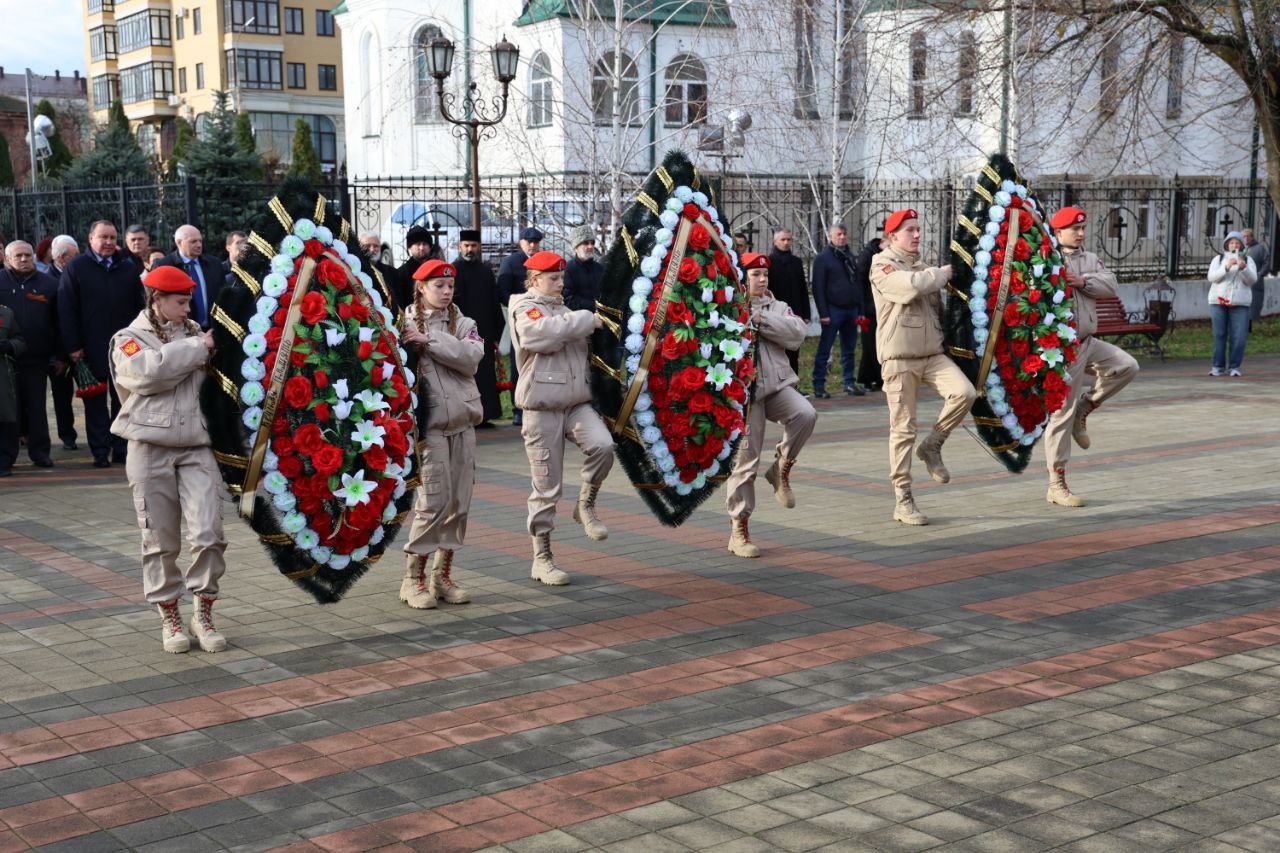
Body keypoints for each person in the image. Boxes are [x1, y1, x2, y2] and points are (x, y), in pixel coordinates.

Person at [108, 265, 226, 654]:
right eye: (180, 300)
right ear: (156, 299)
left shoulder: (197, 333)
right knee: (159, 540)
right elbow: (147, 374)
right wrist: (197, 350)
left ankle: (203, 611)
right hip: (148, 447)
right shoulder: (128, 338)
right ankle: (170, 615)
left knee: (208, 533)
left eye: (190, 299)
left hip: (197, 445)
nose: (188, 306)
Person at [509, 250, 613, 586]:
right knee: (546, 488)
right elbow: (538, 335)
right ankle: (542, 557)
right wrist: (585, 319)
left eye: (561, 277)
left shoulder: (564, 309)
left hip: (576, 403)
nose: (560, 283)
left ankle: (585, 504)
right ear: (534, 279)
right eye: (553, 278)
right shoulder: (523, 306)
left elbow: (574, 338)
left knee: (604, 446)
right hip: (541, 407)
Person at [870, 208, 975, 525]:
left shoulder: (924, 266)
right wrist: (942, 274)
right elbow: (911, 286)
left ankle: (932, 446)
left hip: (931, 355)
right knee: (903, 430)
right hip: (899, 359)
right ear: (893, 236)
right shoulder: (882, 264)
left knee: (965, 393)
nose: (917, 234)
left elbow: (938, 309)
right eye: (910, 230)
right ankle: (903, 498)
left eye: (918, 229)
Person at [398, 259, 483, 609]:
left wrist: (429, 340)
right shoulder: (403, 325)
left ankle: (442, 577)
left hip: (463, 424)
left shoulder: (464, 323)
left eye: (450, 286)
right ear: (421, 287)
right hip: (428, 430)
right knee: (433, 502)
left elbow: (472, 357)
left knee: (459, 504)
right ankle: (412, 580)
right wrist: (416, 338)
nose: (447, 292)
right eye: (438, 286)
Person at [1042, 206, 1139, 507]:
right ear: (1058, 232)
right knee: (1061, 414)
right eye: (1074, 229)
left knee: (1127, 366)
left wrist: (1082, 281)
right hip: (1061, 349)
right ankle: (1056, 483)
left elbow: (1110, 285)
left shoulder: (1090, 258)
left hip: (1088, 341)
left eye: (1083, 228)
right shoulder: (1046, 258)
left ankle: (1088, 405)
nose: (1081, 234)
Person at [725, 254, 818, 558]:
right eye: (756, 275)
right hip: (746, 396)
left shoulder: (777, 306)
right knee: (746, 462)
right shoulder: (728, 307)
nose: (763, 280)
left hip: (776, 386)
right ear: (743, 278)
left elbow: (797, 335)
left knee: (805, 413)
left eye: (765, 274)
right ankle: (739, 529)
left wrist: (761, 319)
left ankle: (781, 468)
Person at [58, 220, 145, 468]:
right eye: (103, 237)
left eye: (112, 237)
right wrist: (73, 346)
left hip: (125, 347)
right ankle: (99, 450)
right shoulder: (76, 267)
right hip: (89, 347)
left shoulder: (127, 269)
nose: (108, 242)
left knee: (125, 399)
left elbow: (140, 308)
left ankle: (121, 449)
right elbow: (66, 309)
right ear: (91, 239)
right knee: (95, 403)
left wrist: (139, 341)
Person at [0, 241, 60, 468]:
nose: (24, 260)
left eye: (28, 255)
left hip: (37, 358)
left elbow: (59, 321)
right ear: (7, 259)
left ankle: (40, 452)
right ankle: (7, 456)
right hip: (4, 361)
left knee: (36, 408)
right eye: (18, 256)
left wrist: (59, 354)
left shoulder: (49, 284)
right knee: (8, 410)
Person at [452, 229, 503, 425]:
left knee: (485, 374)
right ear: (460, 246)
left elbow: (494, 302)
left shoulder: (485, 271)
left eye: (473, 246)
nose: (470, 249)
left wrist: (496, 333)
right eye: (466, 245)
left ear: (479, 247)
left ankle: (485, 414)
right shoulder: (453, 270)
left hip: (484, 332)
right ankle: (465, 415)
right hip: (461, 334)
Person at [811, 223, 866, 398]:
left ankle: (849, 382)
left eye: (844, 234)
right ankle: (819, 385)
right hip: (833, 311)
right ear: (831, 237)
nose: (842, 237)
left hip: (851, 309)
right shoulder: (823, 258)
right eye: (839, 234)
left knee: (849, 349)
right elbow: (818, 288)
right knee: (825, 349)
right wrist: (823, 313)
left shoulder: (849, 256)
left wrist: (861, 310)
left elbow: (858, 285)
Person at [497, 227, 544, 427]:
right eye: (528, 241)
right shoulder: (511, 262)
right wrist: (522, 307)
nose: (532, 245)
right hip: (520, 319)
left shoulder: (543, 261)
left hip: (541, 319)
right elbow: (503, 291)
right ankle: (519, 409)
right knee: (520, 364)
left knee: (540, 362)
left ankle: (540, 404)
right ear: (521, 242)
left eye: (536, 242)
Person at [150, 225, 223, 329]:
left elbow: (223, 296)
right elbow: (155, 302)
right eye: (193, 241)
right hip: (178, 329)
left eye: (200, 241)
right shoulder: (163, 266)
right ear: (179, 243)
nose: (199, 245)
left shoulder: (214, 264)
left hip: (213, 330)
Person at [1207, 231, 1257, 377]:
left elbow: (1252, 280)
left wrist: (1244, 269)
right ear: (1227, 245)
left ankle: (1234, 366)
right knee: (1219, 334)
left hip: (1240, 303)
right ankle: (1217, 366)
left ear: (1241, 245)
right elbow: (1211, 277)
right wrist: (1226, 268)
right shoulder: (1219, 259)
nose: (1234, 245)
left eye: (1237, 243)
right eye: (1231, 243)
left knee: (1239, 336)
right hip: (1218, 301)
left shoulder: (1248, 260)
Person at [48, 236, 80, 450]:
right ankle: (67, 435)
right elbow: (50, 322)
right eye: (74, 257)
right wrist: (59, 355)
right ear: (61, 258)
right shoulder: (47, 280)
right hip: (59, 351)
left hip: (82, 347)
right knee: (62, 397)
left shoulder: (79, 275)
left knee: (93, 393)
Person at [767, 230, 812, 377]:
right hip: (777, 314)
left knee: (794, 351)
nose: (786, 242)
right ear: (775, 242)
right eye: (783, 239)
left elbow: (802, 289)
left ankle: (794, 384)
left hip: (795, 313)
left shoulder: (796, 262)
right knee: (778, 352)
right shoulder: (769, 262)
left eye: (789, 239)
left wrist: (806, 314)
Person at [853, 235, 885, 391]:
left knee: (878, 344)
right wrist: (862, 309)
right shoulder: (867, 255)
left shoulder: (882, 254)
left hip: (880, 306)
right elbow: (860, 282)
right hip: (869, 308)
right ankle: (870, 378)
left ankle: (874, 377)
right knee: (870, 344)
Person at [0, 303, 25, 477]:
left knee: (6, 417)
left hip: (2, 375)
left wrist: (9, 346)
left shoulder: (6, 313)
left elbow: (21, 341)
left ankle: (4, 462)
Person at [563, 225, 605, 312]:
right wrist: (594, 306)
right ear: (576, 247)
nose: (590, 246)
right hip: (578, 320)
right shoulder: (568, 269)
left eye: (592, 243)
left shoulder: (600, 268)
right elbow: (567, 299)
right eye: (586, 243)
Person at [359, 230, 401, 313]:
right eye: (367, 246)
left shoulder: (392, 272)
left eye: (376, 246)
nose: (372, 249)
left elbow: (399, 301)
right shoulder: (354, 270)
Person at [396, 226, 436, 312]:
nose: (421, 248)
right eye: (418, 244)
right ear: (409, 247)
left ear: (430, 247)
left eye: (425, 244)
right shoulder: (401, 273)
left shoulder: (435, 269)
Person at [1243, 228, 1269, 325]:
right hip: (1244, 280)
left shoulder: (1260, 248)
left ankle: (1249, 326)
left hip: (1255, 282)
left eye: (1247, 236)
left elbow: (1266, 263)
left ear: (1252, 237)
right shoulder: (1242, 249)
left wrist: (1260, 274)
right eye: (1244, 236)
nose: (1245, 238)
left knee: (1253, 304)